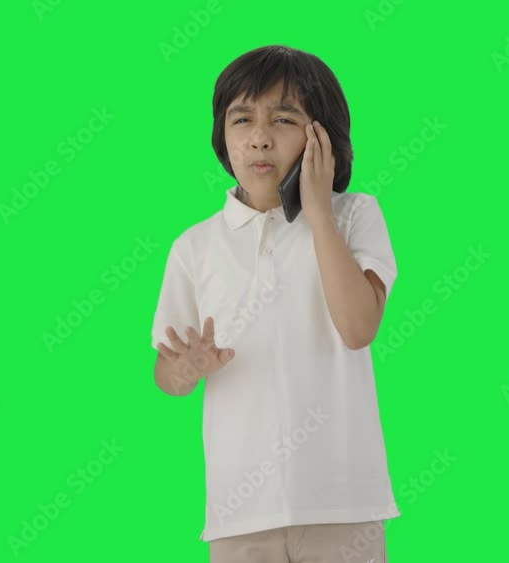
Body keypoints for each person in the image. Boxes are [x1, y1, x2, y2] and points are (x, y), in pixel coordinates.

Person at [151, 45, 399, 563]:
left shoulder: (354, 216)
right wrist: (187, 367)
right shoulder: (195, 246)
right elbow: (167, 375)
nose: (259, 137)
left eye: (284, 119)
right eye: (242, 119)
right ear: (222, 135)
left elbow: (358, 328)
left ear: (321, 136)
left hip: (344, 504)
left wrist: (318, 213)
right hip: (239, 512)